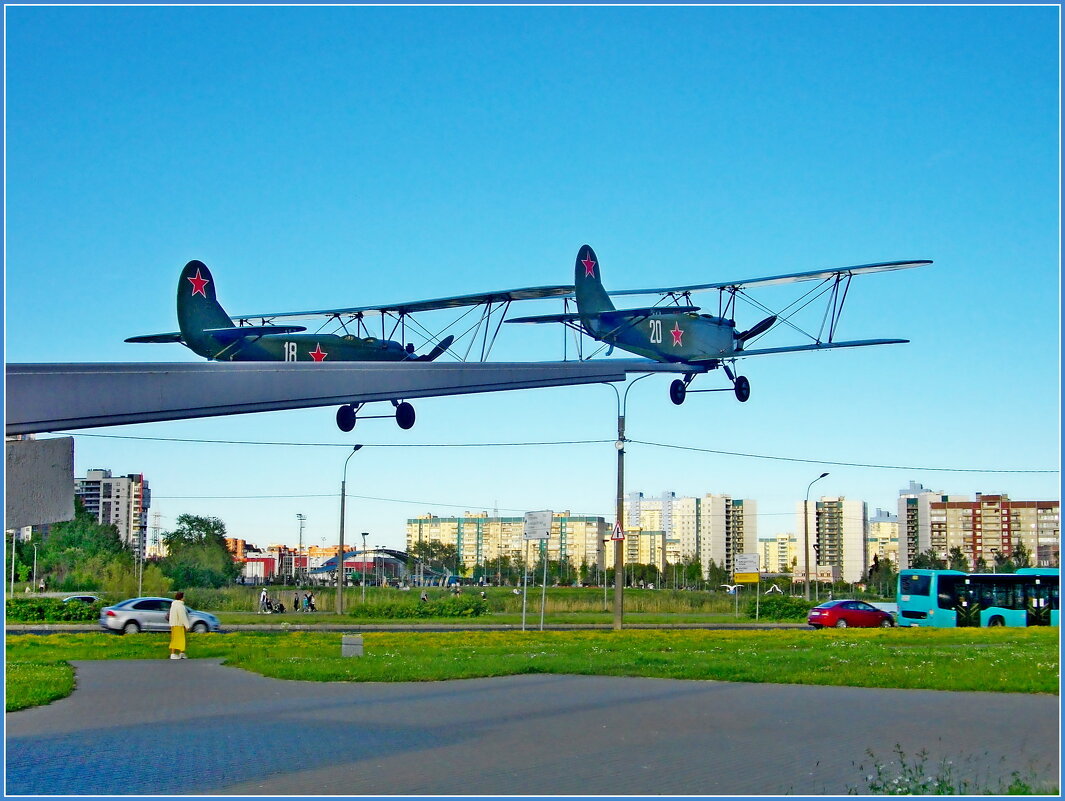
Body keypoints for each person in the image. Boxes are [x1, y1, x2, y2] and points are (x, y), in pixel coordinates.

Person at [168, 591, 191, 660]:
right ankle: (173, 654)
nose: (184, 598)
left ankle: (181, 653)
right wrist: (187, 626)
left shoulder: (174, 605)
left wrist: (171, 624)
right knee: (180, 639)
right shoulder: (180, 606)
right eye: (184, 597)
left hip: (174, 625)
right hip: (179, 625)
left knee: (175, 639)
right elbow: (183, 616)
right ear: (181, 598)